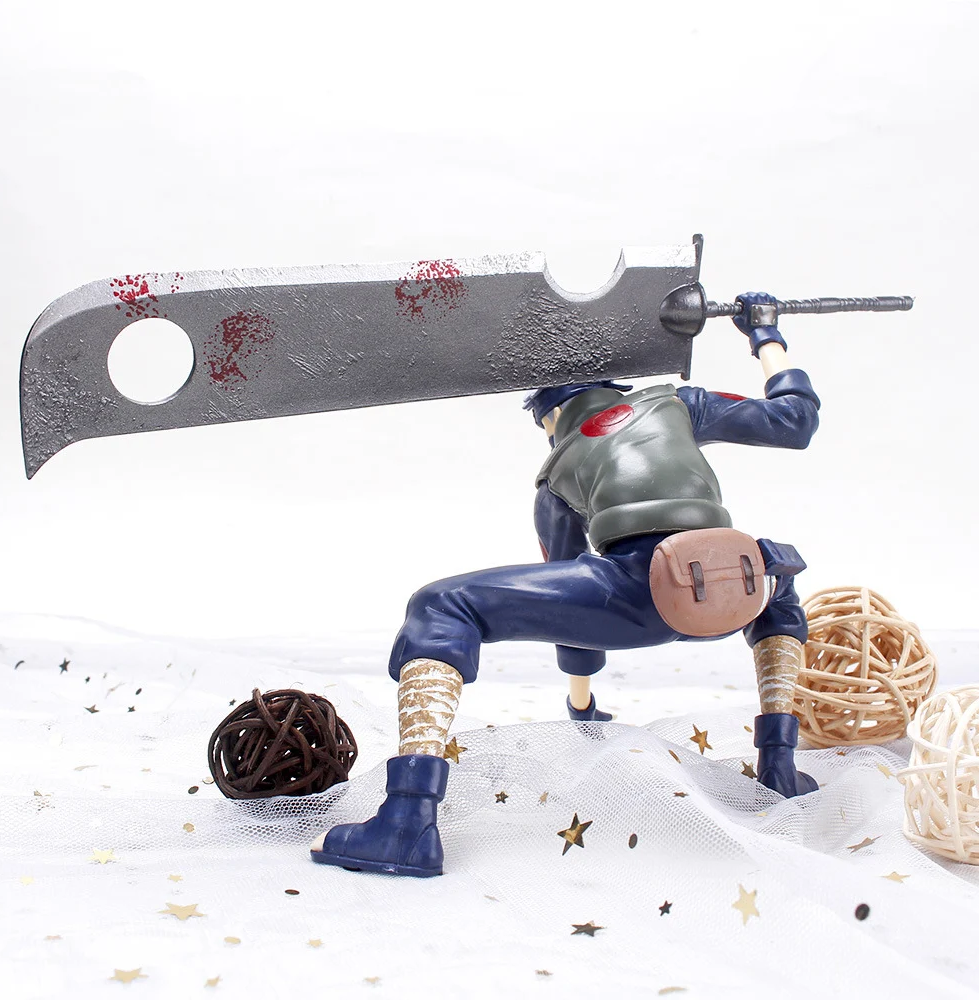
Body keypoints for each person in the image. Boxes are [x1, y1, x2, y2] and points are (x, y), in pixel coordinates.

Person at [311, 291, 821, 878]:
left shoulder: (555, 478)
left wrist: (582, 703)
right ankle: (778, 767)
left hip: (640, 601)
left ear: (549, 418)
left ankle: (407, 821)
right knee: (779, 577)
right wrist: (764, 332)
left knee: (441, 604)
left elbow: (569, 595)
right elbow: (795, 420)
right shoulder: (679, 403)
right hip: (738, 588)